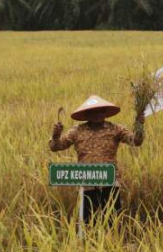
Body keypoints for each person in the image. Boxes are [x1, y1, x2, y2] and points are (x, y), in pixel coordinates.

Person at [49, 94, 144, 222]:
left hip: (110, 182)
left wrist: (139, 125)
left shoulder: (116, 129)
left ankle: (113, 242)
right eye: (94, 111)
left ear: (105, 112)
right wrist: (55, 135)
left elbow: (136, 141)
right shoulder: (77, 131)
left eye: (101, 110)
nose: (98, 113)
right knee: (88, 222)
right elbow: (56, 147)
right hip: (87, 183)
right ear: (87, 114)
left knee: (112, 221)